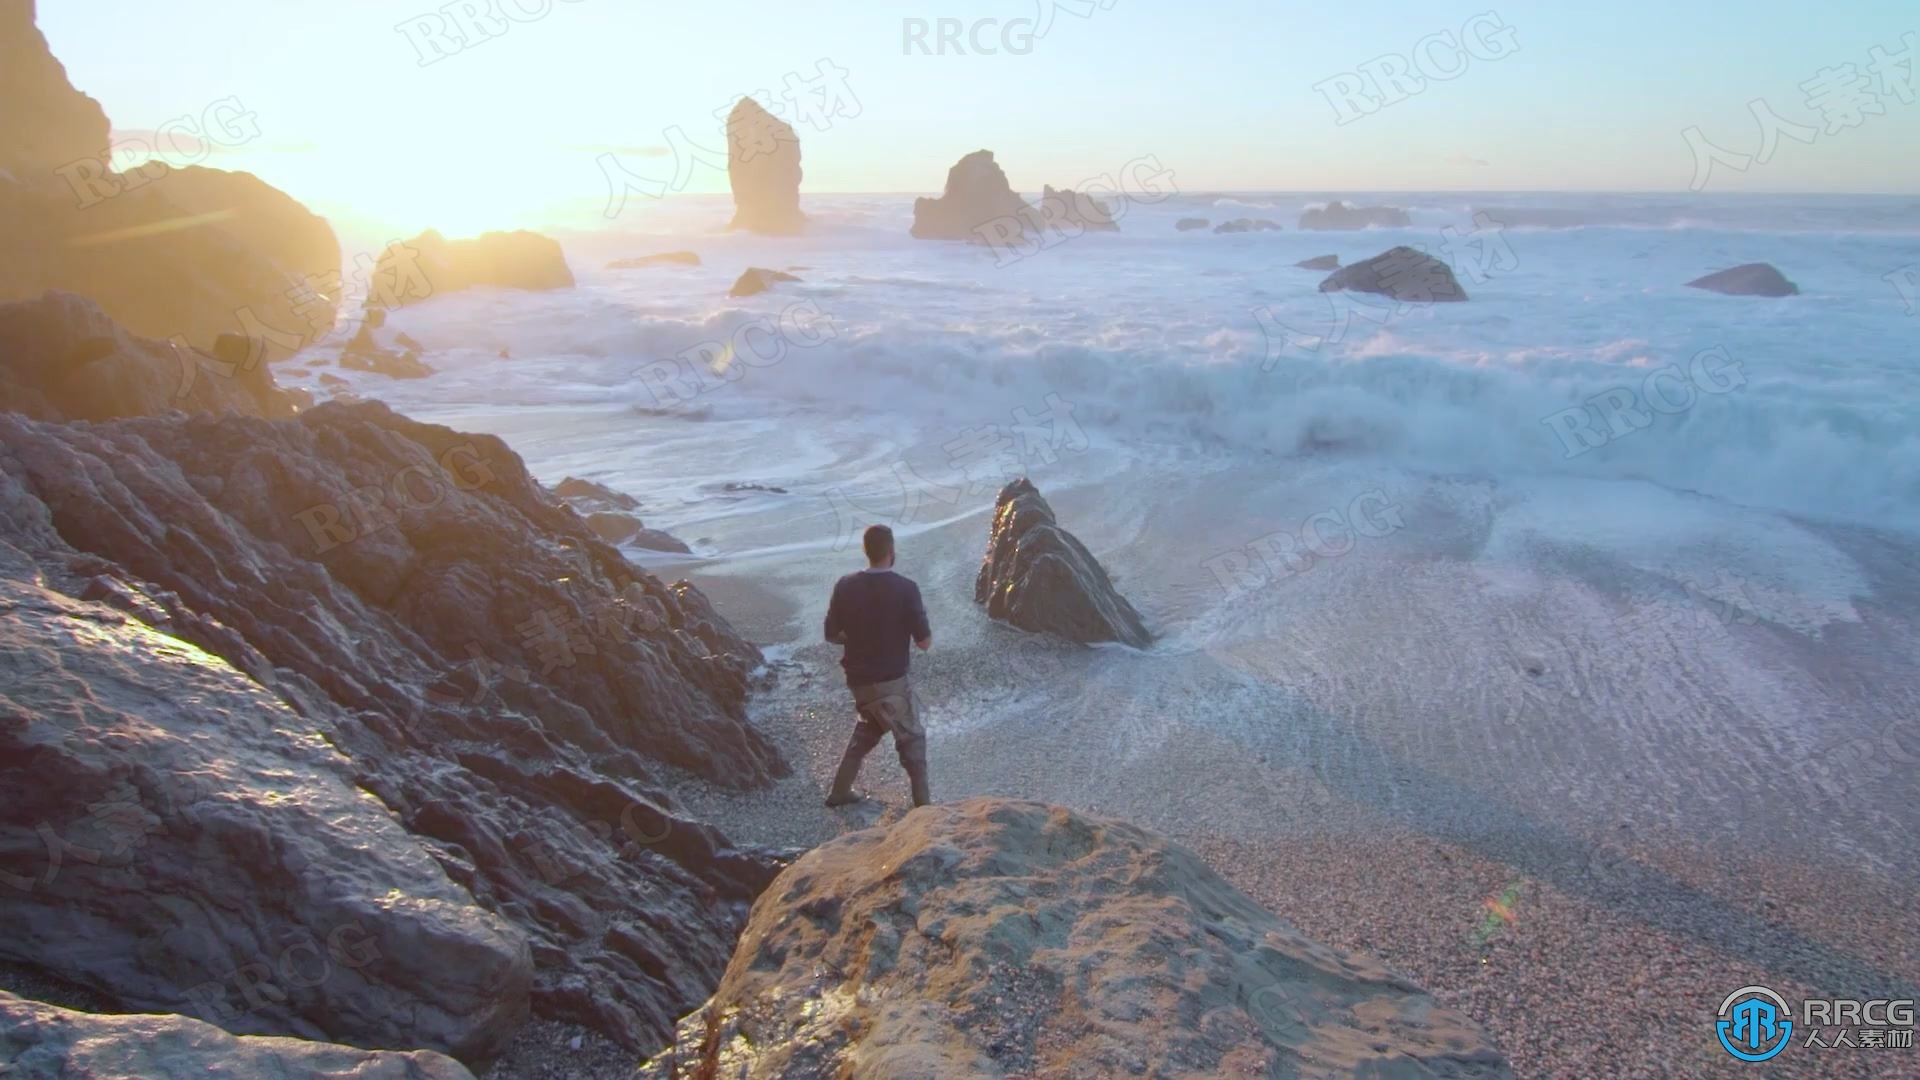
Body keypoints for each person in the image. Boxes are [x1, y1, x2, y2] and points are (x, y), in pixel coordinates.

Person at [822, 524, 932, 807]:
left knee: (869, 726)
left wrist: (858, 636)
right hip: (891, 680)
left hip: (858, 680)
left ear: (866, 551)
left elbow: (831, 634)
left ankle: (840, 791)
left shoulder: (844, 586)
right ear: (891, 551)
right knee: (911, 739)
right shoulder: (906, 588)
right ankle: (924, 806)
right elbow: (924, 643)